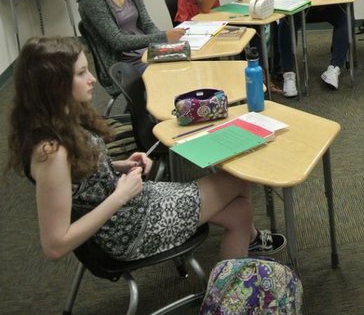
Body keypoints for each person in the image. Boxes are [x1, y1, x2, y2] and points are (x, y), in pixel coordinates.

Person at [6, 37, 286, 263]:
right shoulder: (51, 153)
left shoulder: (61, 120)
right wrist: (120, 195)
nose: (92, 79)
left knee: (240, 214)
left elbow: (76, 181)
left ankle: (231, 285)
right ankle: (236, 279)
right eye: (81, 74)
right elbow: (55, 246)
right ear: (54, 86)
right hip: (127, 228)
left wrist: (116, 166)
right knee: (238, 178)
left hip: (130, 206)